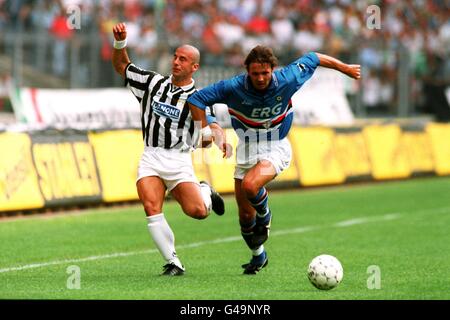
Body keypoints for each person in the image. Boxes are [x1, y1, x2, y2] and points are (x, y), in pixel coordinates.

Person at [188, 45, 360, 274]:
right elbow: (197, 99)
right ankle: (259, 256)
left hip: (276, 146)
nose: (260, 78)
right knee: (245, 218)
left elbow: (314, 57)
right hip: (246, 148)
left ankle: (265, 216)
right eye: (255, 73)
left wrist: (344, 67)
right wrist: (207, 131)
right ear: (247, 71)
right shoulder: (233, 87)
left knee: (251, 185)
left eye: (265, 73)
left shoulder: (287, 78)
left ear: (273, 69)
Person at [111, 22, 226, 276]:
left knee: (197, 212)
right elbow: (122, 66)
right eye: (175, 57)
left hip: (178, 160)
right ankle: (173, 261)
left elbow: (210, 130)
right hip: (151, 155)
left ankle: (205, 191)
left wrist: (213, 136)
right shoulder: (153, 83)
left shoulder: (199, 97)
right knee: (152, 208)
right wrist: (120, 43)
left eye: (183, 60)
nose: (176, 62)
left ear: (194, 67)